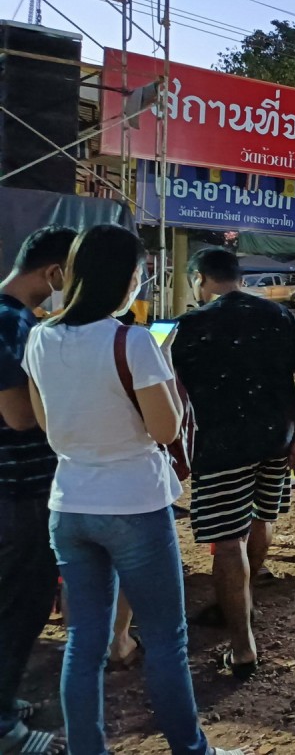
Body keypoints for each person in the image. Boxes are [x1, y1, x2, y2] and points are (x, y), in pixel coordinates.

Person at [23, 225, 242, 755]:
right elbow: (165, 430)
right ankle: (191, 750)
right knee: (167, 639)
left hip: (69, 504)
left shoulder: (40, 337)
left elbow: (46, 424)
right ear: (126, 279)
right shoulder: (132, 341)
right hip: (134, 505)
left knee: (84, 641)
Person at [171, 246, 295, 679]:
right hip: (277, 440)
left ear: (199, 279)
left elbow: (172, 390)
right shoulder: (278, 316)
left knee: (228, 540)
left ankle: (242, 645)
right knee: (260, 517)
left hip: (221, 448)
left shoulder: (190, 325)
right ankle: (244, 599)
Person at [0, 226, 75, 755]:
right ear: (53, 273)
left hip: (11, 489)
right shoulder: (12, 324)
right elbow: (20, 416)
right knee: (18, 604)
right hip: (18, 492)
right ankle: (4, 727)